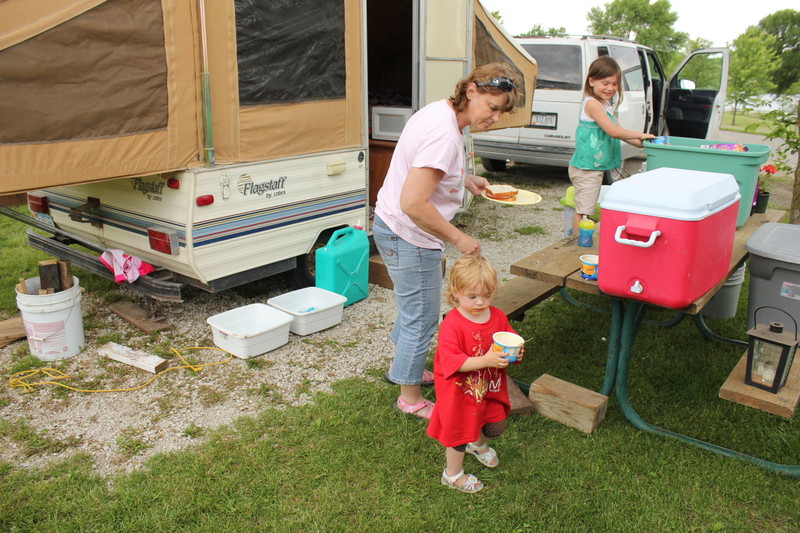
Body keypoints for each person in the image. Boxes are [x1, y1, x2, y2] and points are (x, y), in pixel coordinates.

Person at [373, 63, 522, 421]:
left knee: (414, 310)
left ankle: (402, 364)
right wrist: (459, 238)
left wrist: (464, 179)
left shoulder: (442, 112)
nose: (495, 117)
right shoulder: (443, 134)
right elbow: (413, 203)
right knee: (422, 317)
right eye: (492, 106)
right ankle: (409, 396)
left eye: (501, 111)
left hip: (391, 225)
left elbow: (425, 169)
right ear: (471, 90)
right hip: (409, 234)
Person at [426, 255, 523, 493]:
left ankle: (477, 444)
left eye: (487, 295)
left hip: (488, 387)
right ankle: (452, 475)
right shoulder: (453, 324)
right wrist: (486, 360)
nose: (480, 302)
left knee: (495, 425)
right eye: (473, 296)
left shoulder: (497, 315)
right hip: (459, 393)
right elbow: (451, 362)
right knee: (458, 433)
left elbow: (508, 335)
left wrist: (516, 351)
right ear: (456, 292)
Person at [568, 56, 656, 235]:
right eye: (605, 82)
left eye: (615, 84)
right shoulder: (592, 104)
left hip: (594, 165)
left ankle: (580, 242)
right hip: (586, 166)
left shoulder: (605, 105)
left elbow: (620, 130)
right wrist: (640, 134)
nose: (610, 88)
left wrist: (646, 144)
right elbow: (613, 132)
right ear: (591, 81)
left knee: (587, 207)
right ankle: (575, 247)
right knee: (584, 210)